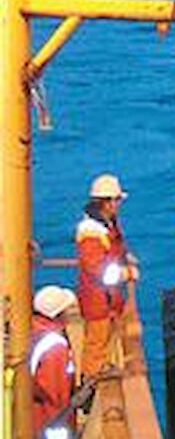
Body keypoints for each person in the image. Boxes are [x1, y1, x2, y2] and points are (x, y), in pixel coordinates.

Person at [75, 174, 139, 379]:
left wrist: (125, 256)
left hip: (108, 298)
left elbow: (113, 249)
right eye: (117, 200)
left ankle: (101, 367)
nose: (119, 204)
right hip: (98, 299)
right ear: (108, 202)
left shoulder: (106, 224)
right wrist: (126, 273)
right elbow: (98, 270)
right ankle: (90, 382)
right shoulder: (91, 233)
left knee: (105, 338)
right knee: (96, 341)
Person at [31, 285, 77, 438]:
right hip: (50, 420)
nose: (71, 313)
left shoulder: (34, 331)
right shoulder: (55, 346)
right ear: (58, 314)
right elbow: (55, 391)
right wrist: (62, 420)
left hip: (34, 412)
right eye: (67, 309)